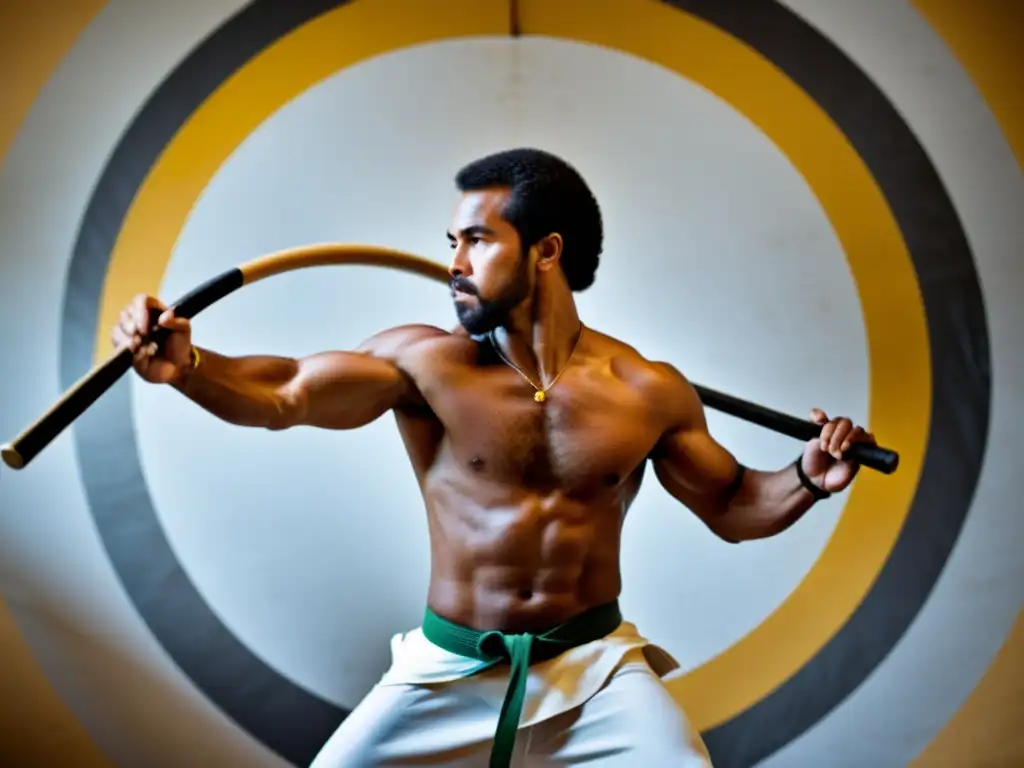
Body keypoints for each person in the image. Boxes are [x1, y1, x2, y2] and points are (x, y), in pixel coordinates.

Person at [112, 148, 876, 767]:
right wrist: (192, 366)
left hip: (594, 673)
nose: (453, 260)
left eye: (476, 239)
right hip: (446, 673)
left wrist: (808, 477)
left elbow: (736, 505)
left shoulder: (647, 390)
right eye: (451, 241)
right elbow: (286, 392)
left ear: (545, 251)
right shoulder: (426, 365)